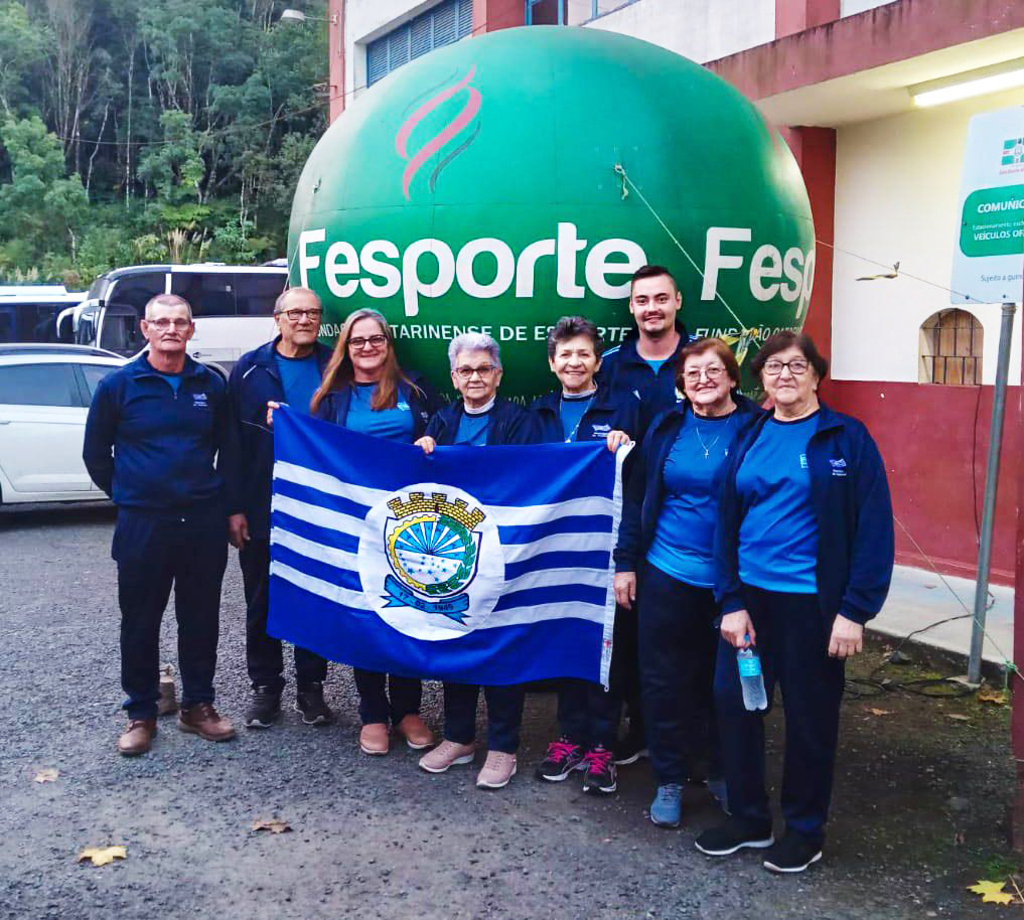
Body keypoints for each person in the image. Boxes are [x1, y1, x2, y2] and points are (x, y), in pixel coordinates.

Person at [694, 330, 894, 874]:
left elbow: (874, 529)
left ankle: (805, 830)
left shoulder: (845, 439)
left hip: (813, 606)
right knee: (735, 709)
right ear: (760, 378)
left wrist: (854, 610)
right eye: (774, 367)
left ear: (816, 374)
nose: (785, 375)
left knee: (810, 721)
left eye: (796, 366)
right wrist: (730, 600)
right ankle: (749, 819)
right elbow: (726, 524)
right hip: (749, 603)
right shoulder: (751, 433)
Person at [614, 337, 762, 828]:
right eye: (692, 372)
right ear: (682, 382)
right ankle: (671, 777)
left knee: (725, 684)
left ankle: (718, 770)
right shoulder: (668, 426)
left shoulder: (755, 429)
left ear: (733, 377)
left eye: (713, 370)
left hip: (732, 583)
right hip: (665, 573)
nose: (702, 379)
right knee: (663, 680)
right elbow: (637, 497)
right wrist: (626, 562)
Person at [83, 294, 235, 756]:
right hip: (143, 524)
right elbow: (96, 454)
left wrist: (227, 506)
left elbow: (229, 451)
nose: (171, 329)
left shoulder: (211, 384)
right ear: (145, 330)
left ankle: (198, 706)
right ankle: (141, 713)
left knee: (200, 618)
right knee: (140, 621)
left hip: (202, 524)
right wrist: (130, 495)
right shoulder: (118, 386)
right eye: (161, 322)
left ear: (191, 330)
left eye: (179, 322)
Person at [306, 307, 440, 756]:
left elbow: (440, 436)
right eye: (358, 340)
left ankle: (408, 711)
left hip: (411, 523)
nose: (367, 347)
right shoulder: (332, 397)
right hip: (356, 523)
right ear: (346, 346)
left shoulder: (415, 388)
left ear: (387, 343)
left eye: (376, 339)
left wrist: (430, 443)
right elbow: (317, 454)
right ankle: (372, 712)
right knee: (367, 614)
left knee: (410, 613)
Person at [415, 332, 535, 790]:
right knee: (457, 639)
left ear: (499, 374)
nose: (475, 377)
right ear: (453, 377)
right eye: (466, 370)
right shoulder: (441, 422)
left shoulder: (521, 422)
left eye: (484, 369)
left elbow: (534, 478)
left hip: (506, 552)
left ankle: (504, 745)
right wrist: (422, 453)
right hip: (454, 552)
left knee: (503, 646)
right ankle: (460, 737)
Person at [529, 316, 636, 795]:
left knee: (606, 649)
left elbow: (641, 486)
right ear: (552, 363)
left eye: (583, 354)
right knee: (564, 644)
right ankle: (568, 737)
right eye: (565, 354)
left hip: (606, 556)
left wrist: (624, 450)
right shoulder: (538, 414)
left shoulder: (622, 409)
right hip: (554, 554)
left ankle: (602, 746)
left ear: (597, 361)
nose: (574, 362)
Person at [223, 287, 335, 730]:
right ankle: (266, 687)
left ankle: (312, 687)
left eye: (312, 312)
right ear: (277, 318)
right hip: (263, 504)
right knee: (261, 600)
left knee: (314, 598)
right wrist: (234, 507)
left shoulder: (335, 365)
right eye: (295, 312)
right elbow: (231, 443)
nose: (304, 319)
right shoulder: (250, 368)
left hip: (321, 506)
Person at [596, 264, 692, 765]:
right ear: (631, 308)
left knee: (684, 630)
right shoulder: (611, 365)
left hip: (688, 511)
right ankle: (637, 725)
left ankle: (693, 740)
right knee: (631, 624)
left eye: (661, 298)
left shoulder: (699, 359)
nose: (651, 308)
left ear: (677, 301)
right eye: (641, 300)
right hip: (628, 511)